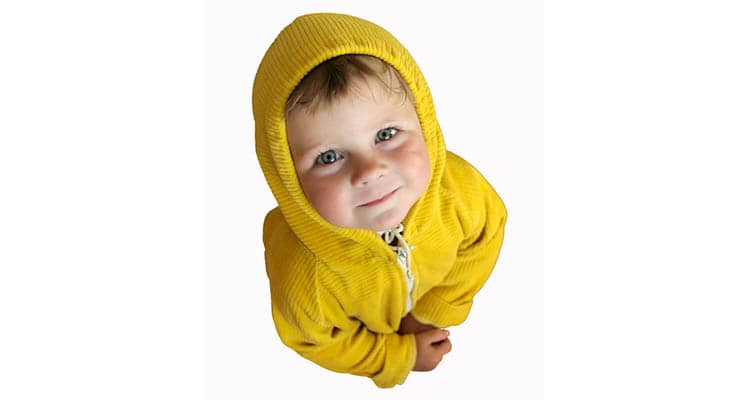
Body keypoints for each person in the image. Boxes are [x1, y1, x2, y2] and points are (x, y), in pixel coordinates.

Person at [252, 12, 507, 388]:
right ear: (287, 175)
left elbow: (485, 236)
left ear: (423, 120)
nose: (370, 171)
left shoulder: (458, 192)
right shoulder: (304, 274)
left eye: (386, 134)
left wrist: (434, 311)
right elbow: (314, 339)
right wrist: (397, 355)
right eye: (329, 157)